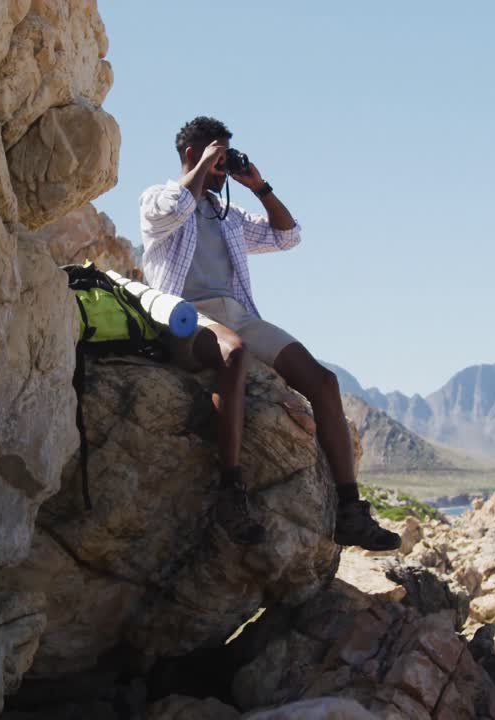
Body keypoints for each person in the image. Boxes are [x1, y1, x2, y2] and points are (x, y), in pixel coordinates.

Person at [139, 116, 401, 551]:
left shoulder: (226, 217)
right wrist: (204, 165)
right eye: (217, 155)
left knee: (323, 381)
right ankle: (230, 491)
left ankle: (351, 510)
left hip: (237, 315)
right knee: (235, 353)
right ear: (192, 154)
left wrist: (259, 187)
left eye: (226, 157)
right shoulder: (158, 198)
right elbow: (172, 208)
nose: (223, 165)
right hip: (183, 316)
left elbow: (287, 237)